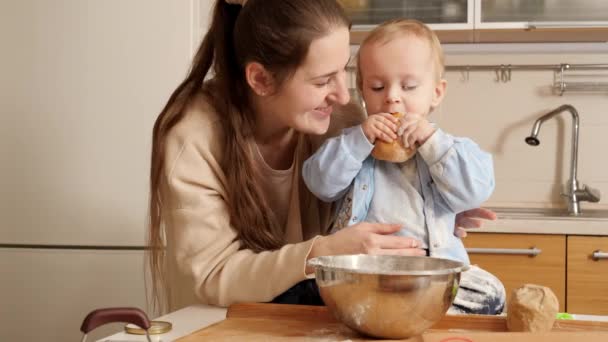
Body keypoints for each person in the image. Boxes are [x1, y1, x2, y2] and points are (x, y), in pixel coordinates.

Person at [147, 0, 500, 314]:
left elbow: (357, 199)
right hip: (218, 322)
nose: (345, 97)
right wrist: (323, 251)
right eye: (322, 80)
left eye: (343, 72)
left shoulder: (340, 120)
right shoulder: (192, 137)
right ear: (261, 79)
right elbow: (213, 277)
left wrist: (416, 203)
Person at [303, 19, 504, 314]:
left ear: (436, 92)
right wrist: (360, 140)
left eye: (409, 86)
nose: (392, 96)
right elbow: (320, 185)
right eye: (377, 86)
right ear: (362, 91)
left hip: (433, 275)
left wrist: (433, 142)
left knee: (492, 293)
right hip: (367, 273)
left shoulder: (448, 148)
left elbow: (475, 191)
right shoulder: (352, 144)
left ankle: (415, 313)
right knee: (315, 290)